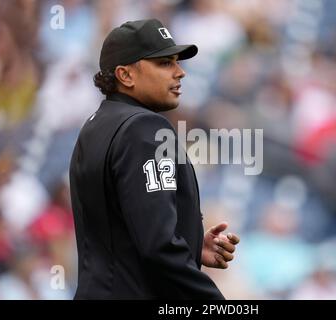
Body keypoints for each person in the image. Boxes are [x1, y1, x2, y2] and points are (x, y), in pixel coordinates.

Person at [69, 19, 239, 299]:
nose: (180, 72)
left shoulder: (95, 123)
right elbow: (158, 247)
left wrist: (192, 243)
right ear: (126, 75)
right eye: (164, 63)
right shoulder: (144, 128)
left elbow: (124, 228)